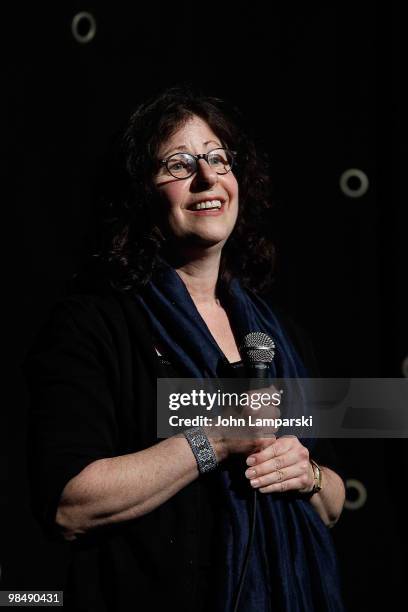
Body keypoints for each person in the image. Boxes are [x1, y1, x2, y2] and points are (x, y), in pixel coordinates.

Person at [23, 86, 346, 611]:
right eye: (179, 164)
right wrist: (216, 439)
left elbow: (333, 504)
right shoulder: (92, 325)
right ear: (138, 193)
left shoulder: (281, 334)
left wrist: (305, 474)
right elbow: (69, 504)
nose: (208, 177)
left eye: (218, 158)